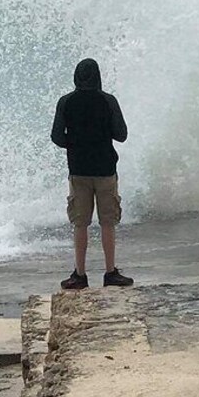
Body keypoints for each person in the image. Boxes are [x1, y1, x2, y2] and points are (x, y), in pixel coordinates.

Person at [51, 58, 134, 290]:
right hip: (106, 170)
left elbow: (57, 137)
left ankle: (80, 274)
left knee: (80, 223)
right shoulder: (108, 101)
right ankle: (110, 272)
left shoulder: (66, 102)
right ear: (98, 76)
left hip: (78, 171)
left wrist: (76, 144)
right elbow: (121, 134)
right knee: (108, 222)